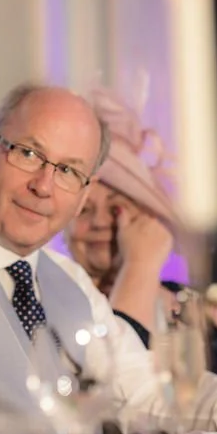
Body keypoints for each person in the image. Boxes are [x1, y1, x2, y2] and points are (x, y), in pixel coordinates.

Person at [0, 82, 217, 434]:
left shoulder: (69, 280)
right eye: (28, 153)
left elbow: (144, 389)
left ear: (83, 194)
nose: (44, 186)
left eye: (69, 171)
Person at [63, 86, 177, 345]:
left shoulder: (184, 307)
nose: (100, 223)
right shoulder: (45, 304)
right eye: (84, 210)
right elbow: (114, 374)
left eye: (116, 210)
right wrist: (139, 266)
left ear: (146, 217)